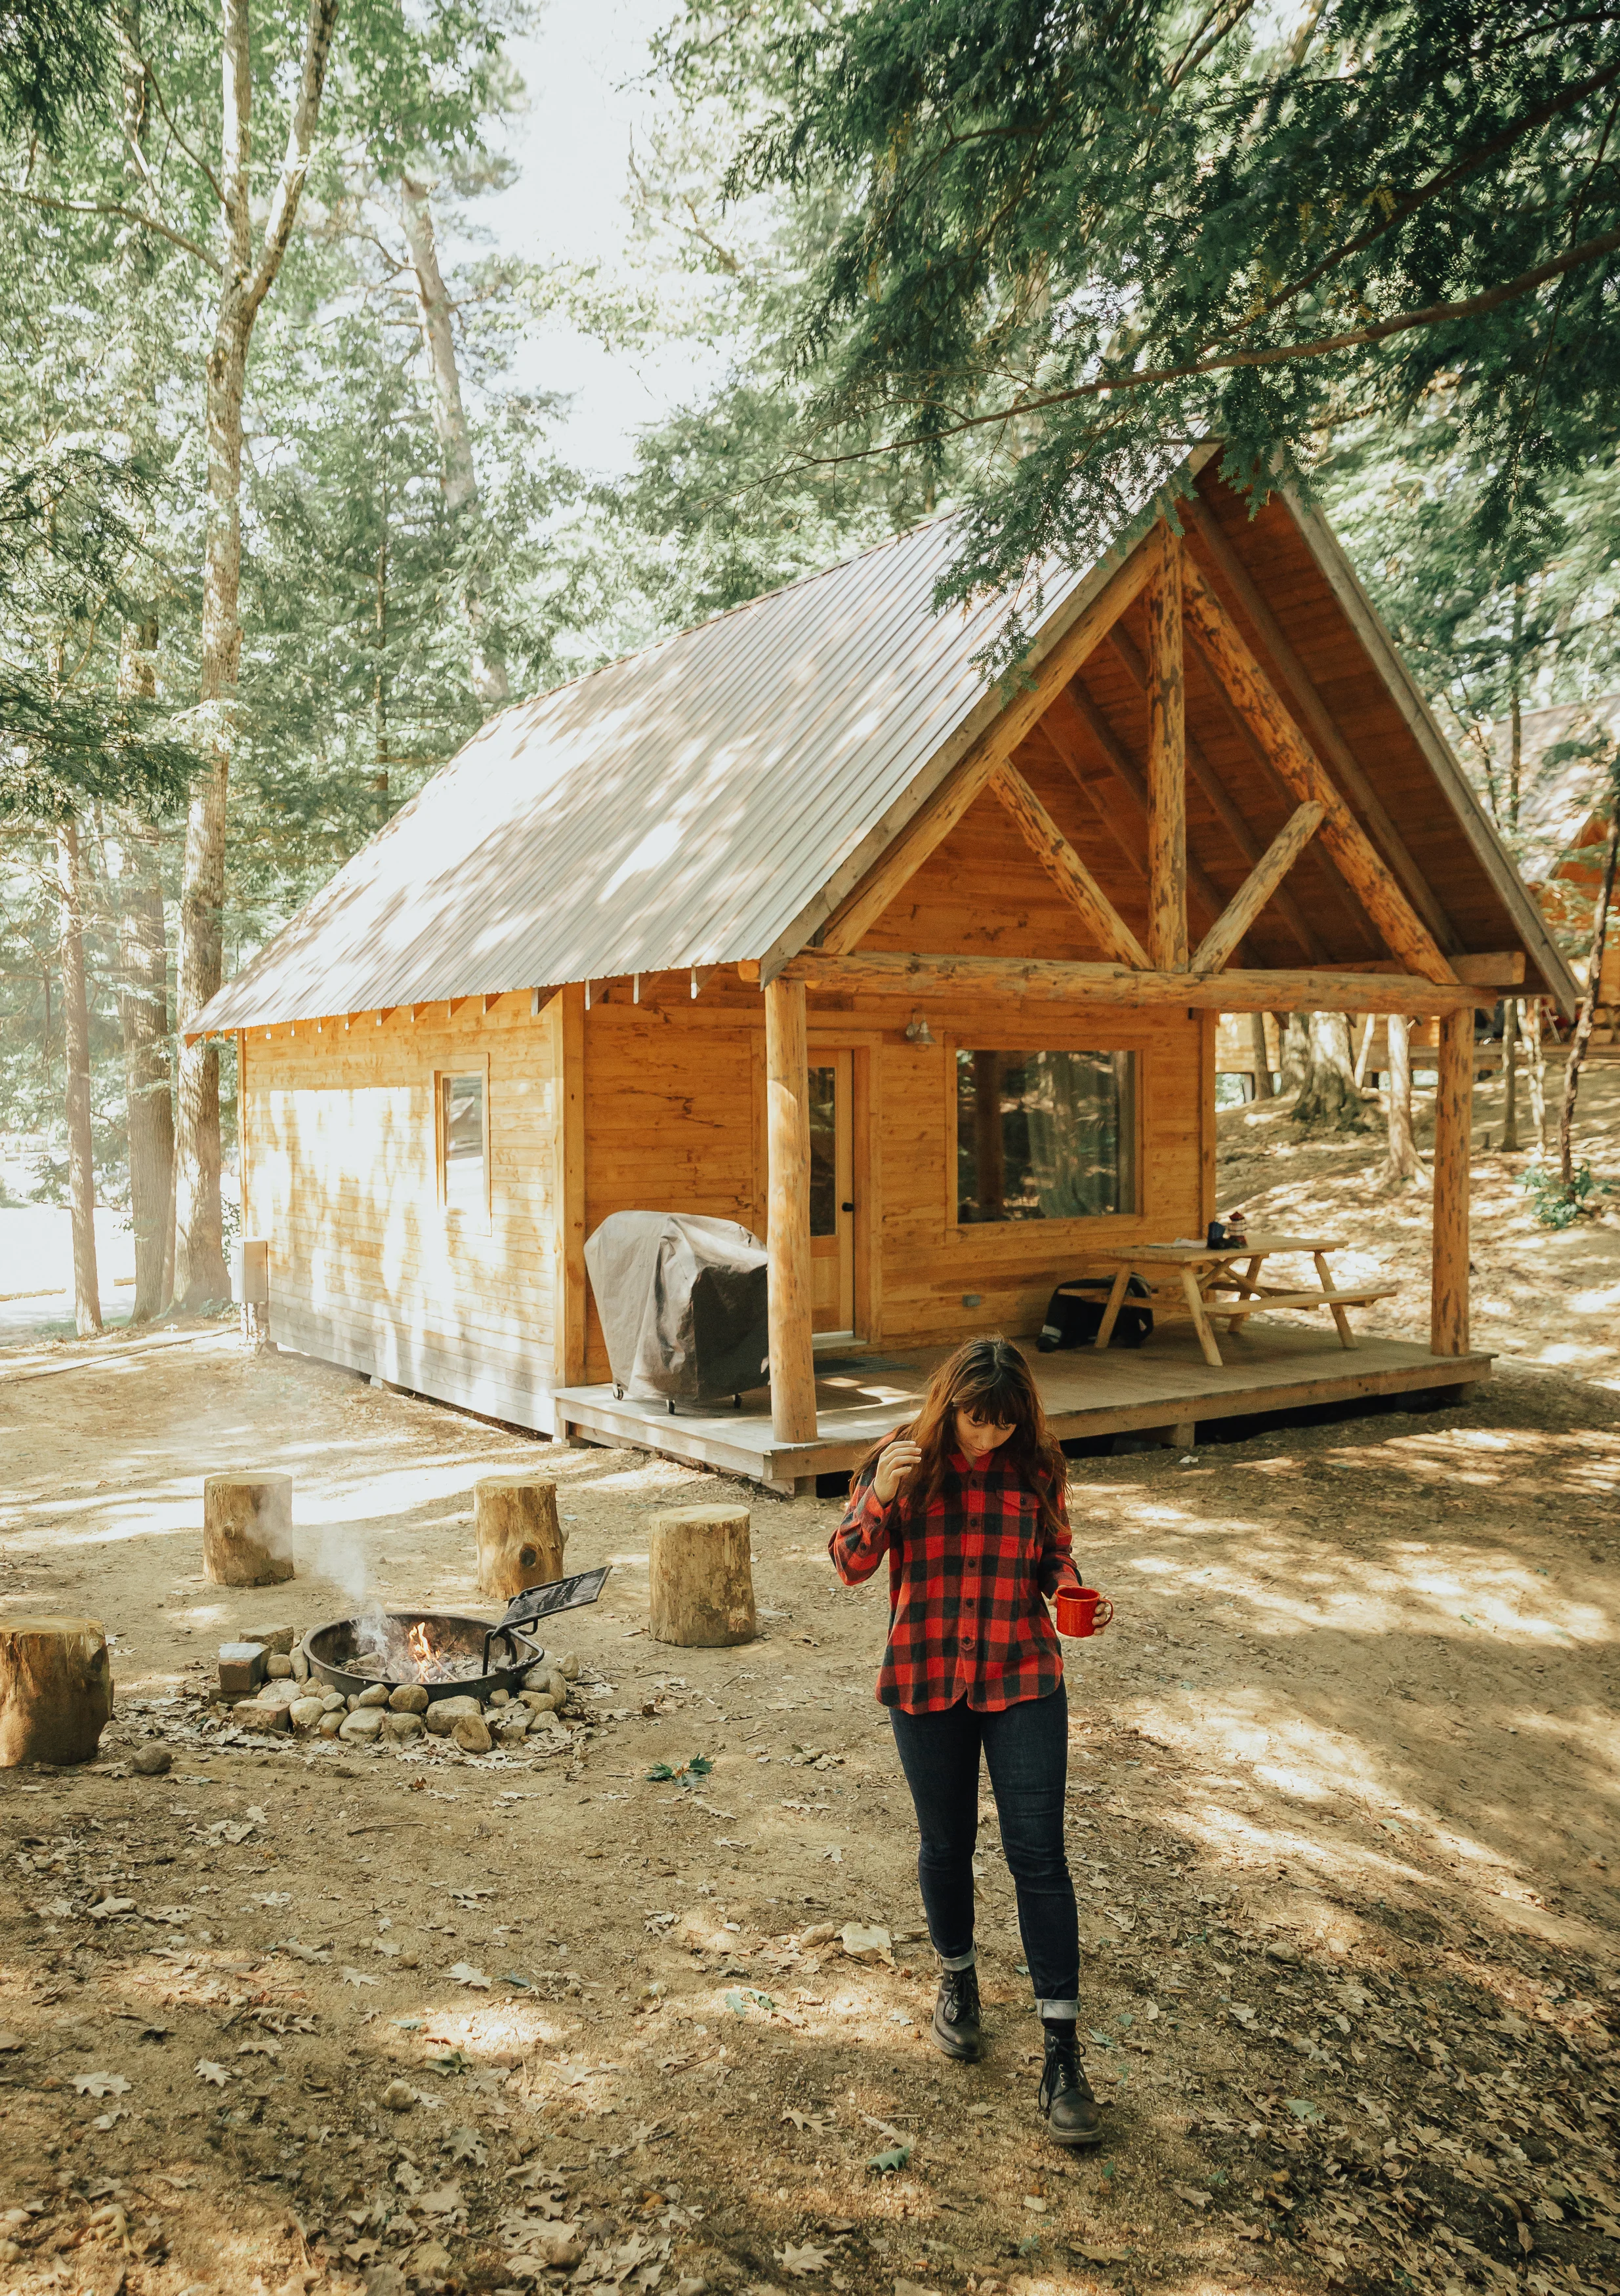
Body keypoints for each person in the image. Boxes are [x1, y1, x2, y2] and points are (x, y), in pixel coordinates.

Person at [828, 1336, 1102, 2148]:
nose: (989, 1439)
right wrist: (877, 1496)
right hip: (925, 1677)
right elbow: (849, 1563)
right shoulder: (899, 1458)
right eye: (977, 1423)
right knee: (945, 1845)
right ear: (950, 1406)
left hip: (1022, 1676)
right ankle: (958, 1983)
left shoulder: (1039, 1460)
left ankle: (1063, 2053)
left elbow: (1053, 1551)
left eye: (1004, 1426)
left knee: (1039, 1855)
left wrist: (1069, 1589)